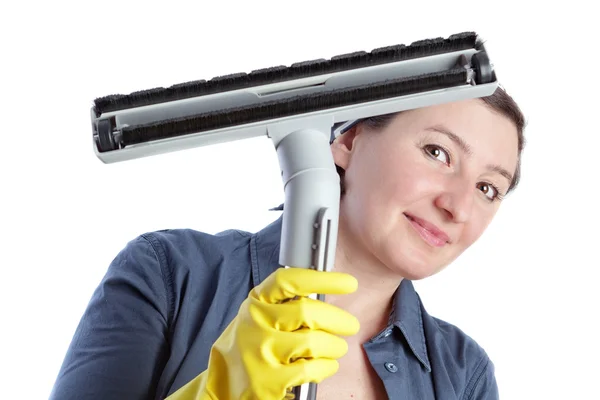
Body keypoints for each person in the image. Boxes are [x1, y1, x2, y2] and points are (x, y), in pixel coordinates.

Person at [49, 86, 526, 400]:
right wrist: (217, 392)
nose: (458, 206)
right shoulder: (170, 276)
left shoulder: (464, 377)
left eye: (489, 188)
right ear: (349, 140)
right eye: (437, 152)